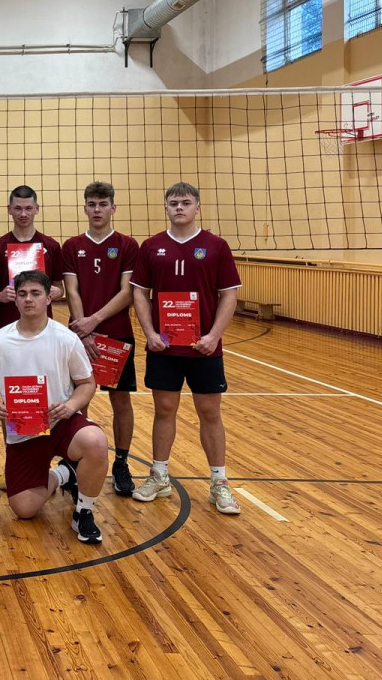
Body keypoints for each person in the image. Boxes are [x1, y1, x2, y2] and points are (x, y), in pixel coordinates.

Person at [130, 181, 242, 515]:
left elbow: (229, 295)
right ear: (166, 208)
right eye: (173, 203)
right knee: (164, 409)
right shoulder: (151, 246)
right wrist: (150, 332)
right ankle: (159, 476)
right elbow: (140, 293)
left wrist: (214, 336)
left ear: (197, 208)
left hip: (204, 348)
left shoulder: (216, 246)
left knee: (210, 412)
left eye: (186, 202)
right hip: (164, 347)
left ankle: (219, 483)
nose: (179, 207)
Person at [0, 270, 108, 544]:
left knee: (95, 441)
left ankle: (84, 512)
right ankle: (64, 473)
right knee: (24, 510)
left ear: (49, 298)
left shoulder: (66, 338)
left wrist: (71, 406)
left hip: (61, 422)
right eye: (22, 294)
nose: (29, 299)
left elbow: (87, 384)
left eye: (36, 293)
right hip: (24, 432)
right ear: (15, 299)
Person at [61, 181, 140, 496]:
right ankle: (75, 463)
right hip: (80, 339)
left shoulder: (127, 245)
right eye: (92, 204)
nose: (97, 210)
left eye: (103, 204)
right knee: (80, 399)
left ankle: (121, 463)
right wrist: (84, 332)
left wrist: (93, 321)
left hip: (117, 335)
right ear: (85, 208)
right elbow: (72, 290)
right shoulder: (72, 246)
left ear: (113, 208)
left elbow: (127, 292)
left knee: (121, 400)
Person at [0, 186, 63, 332]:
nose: (23, 214)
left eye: (29, 208)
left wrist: (57, 292)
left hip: (42, 328)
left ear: (37, 209)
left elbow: (60, 288)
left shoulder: (52, 246)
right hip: (6, 326)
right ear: (9, 209)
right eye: (18, 208)